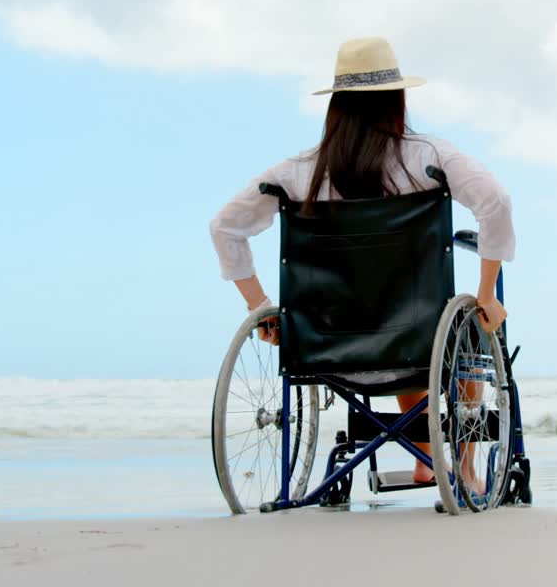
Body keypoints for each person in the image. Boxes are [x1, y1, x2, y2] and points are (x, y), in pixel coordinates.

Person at [209, 36, 515, 485]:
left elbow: (224, 228)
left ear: (335, 105)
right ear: (398, 99)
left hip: (328, 344)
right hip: (416, 340)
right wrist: (487, 292)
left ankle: (426, 456)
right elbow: (496, 203)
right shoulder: (429, 158)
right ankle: (462, 467)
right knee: (462, 324)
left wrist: (261, 310)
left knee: (399, 315)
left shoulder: (296, 173)